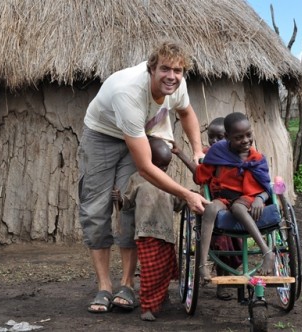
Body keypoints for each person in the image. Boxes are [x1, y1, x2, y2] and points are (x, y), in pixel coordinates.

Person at [78, 40, 208, 313]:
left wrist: (197, 151)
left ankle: (126, 284)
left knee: (130, 204)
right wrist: (186, 193)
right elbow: (147, 167)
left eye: (177, 70)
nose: (171, 76)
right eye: (165, 69)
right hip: (102, 135)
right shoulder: (129, 92)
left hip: (138, 133)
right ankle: (104, 287)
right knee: (96, 208)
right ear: (151, 69)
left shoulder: (177, 85)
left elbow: (186, 112)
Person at [193, 112, 275, 284]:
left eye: (248, 135)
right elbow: (201, 176)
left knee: (238, 208)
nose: (245, 140)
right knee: (210, 209)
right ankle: (202, 265)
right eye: (239, 137)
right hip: (223, 198)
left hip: (247, 198)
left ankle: (267, 252)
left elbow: (267, 186)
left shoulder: (256, 159)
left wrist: (260, 198)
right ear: (227, 137)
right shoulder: (218, 152)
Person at [112, 137, 183, 321]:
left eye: (166, 166)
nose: (163, 170)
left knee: (164, 270)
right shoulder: (137, 179)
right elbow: (126, 204)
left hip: (167, 235)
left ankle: (160, 298)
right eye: (159, 165)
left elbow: (178, 203)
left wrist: (192, 197)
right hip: (146, 233)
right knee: (150, 272)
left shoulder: (168, 182)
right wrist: (119, 199)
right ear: (147, 161)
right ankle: (148, 308)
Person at [173, 117, 242, 300]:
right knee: (221, 241)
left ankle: (227, 275)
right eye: (211, 137)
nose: (214, 142)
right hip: (214, 204)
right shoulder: (207, 156)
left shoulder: (239, 155)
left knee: (236, 241)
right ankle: (220, 279)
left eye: (219, 137)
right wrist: (180, 153)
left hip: (237, 203)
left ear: (228, 137)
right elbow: (199, 175)